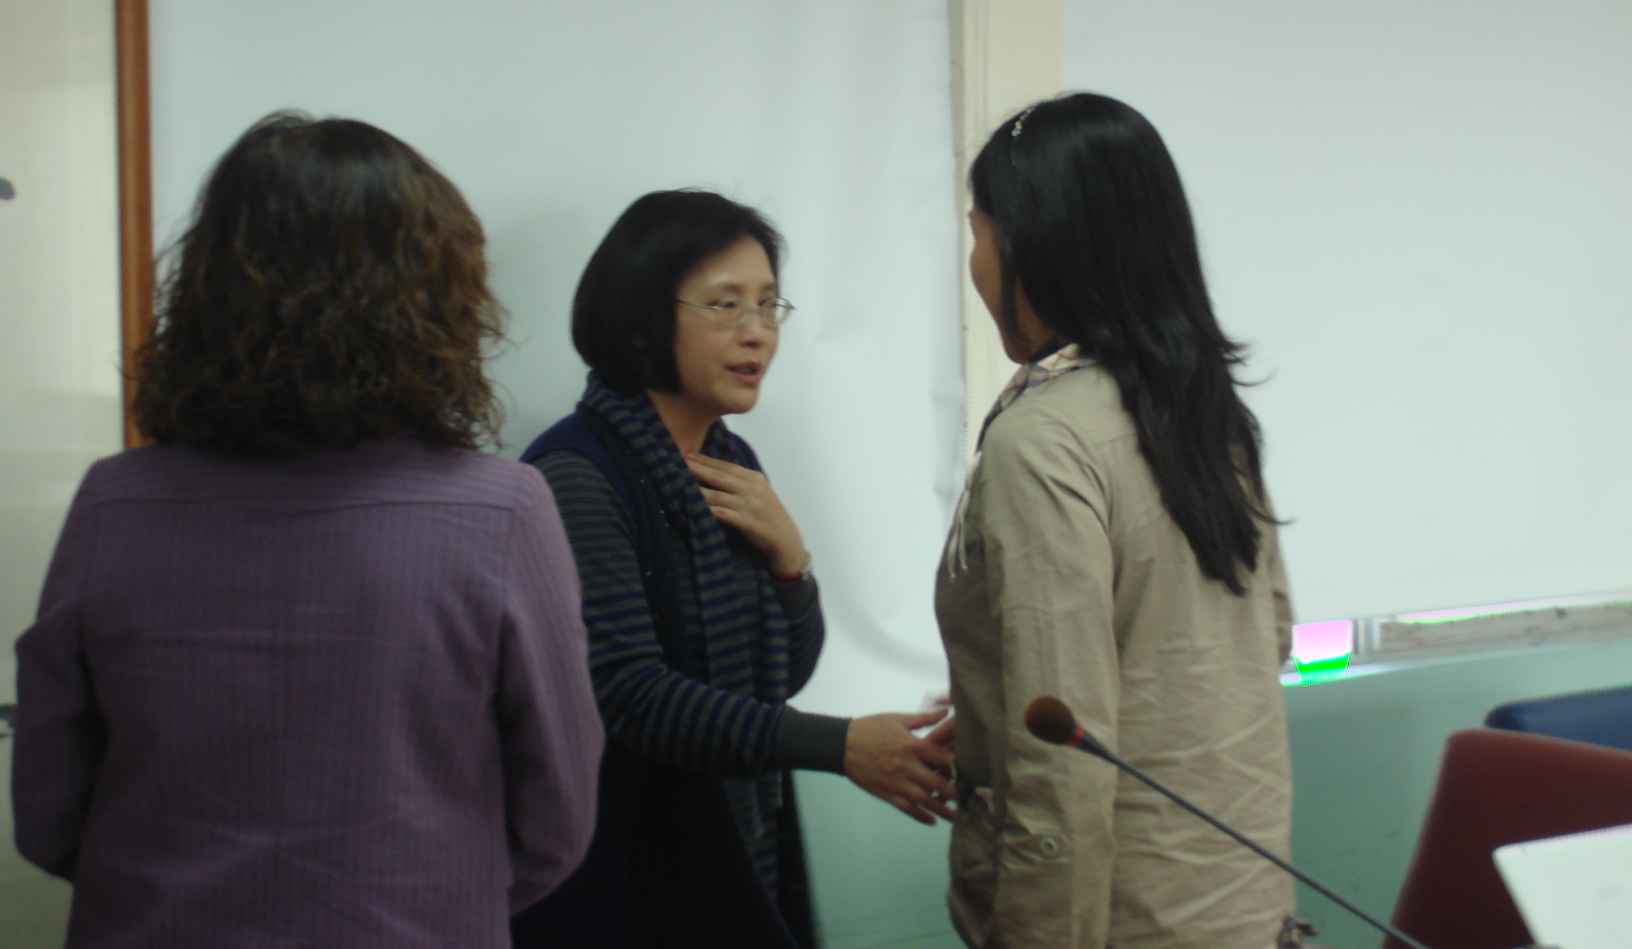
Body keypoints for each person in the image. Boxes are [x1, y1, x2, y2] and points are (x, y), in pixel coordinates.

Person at [11, 113, 604, 949]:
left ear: (209, 290)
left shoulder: (115, 505)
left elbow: (46, 810)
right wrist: (429, 899)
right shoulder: (503, 513)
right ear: (439, 299)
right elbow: (557, 823)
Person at [510, 190, 955, 949]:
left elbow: (783, 672)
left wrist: (793, 561)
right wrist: (841, 747)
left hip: (737, 845)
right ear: (642, 323)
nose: (758, 333)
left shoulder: (727, 461)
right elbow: (630, 696)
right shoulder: (577, 476)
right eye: (725, 305)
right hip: (627, 872)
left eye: (768, 305)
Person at [938, 94, 1299, 949]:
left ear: (1036, 248)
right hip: (1247, 904)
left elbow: (1061, 753)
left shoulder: (1043, 440)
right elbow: (1270, 635)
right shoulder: (1202, 407)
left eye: (979, 233)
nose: (976, 260)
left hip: (1123, 921)